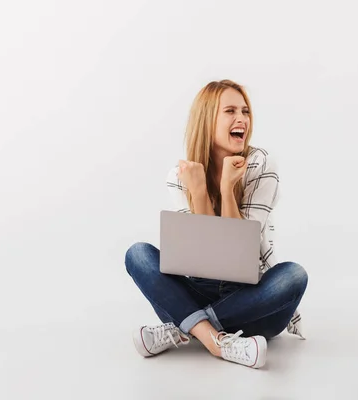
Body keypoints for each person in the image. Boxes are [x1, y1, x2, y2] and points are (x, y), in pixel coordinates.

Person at [124, 79, 308, 369]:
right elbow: (206, 258)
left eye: (245, 112)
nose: (242, 120)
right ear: (207, 120)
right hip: (198, 287)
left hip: (252, 299)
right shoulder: (180, 175)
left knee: (293, 276)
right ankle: (219, 341)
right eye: (231, 111)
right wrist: (197, 191)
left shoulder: (260, 164)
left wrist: (226, 189)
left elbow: (240, 253)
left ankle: (186, 327)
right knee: (138, 254)